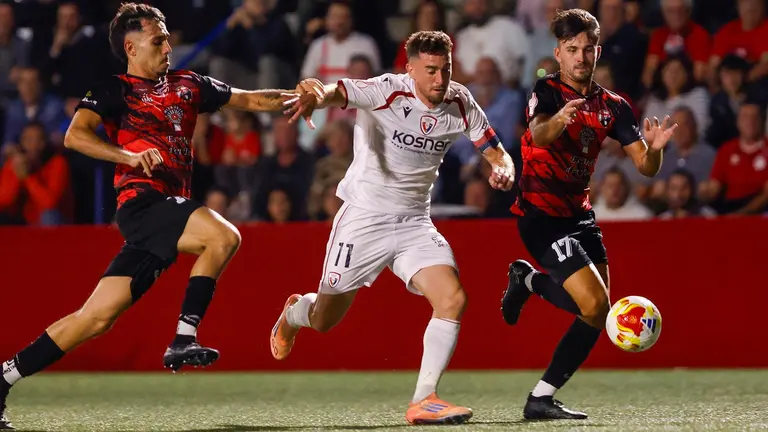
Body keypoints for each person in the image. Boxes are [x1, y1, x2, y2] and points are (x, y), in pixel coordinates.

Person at [0, 3, 309, 429]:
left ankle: (3, 378)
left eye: (167, 37)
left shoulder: (188, 84)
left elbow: (251, 98)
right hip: (142, 205)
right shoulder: (114, 89)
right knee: (224, 237)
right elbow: (75, 136)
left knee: (94, 319)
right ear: (131, 46)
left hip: (162, 214)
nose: (169, 45)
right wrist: (125, 154)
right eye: (158, 39)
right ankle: (184, 337)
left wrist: (303, 96)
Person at [272, 30, 515, 425]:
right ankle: (296, 311)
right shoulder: (386, 91)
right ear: (411, 69)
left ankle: (425, 399)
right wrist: (316, 93)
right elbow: (335, 91)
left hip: (415, 222)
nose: (440, 79)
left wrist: (502, 168)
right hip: (364, 219)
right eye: (431, 71)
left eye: (446, 70)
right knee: (325, 321)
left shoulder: (460, 101)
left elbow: (496, 151)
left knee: (452, 298)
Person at [500, 9, 677, 420]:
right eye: (572, 49)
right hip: (540, 213)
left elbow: (646, 167)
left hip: (579, 215)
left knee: (596, 310)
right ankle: (539, 399)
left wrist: (657, 146)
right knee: (597, 306)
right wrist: (560, 120)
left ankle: (526, 283)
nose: (580, 57)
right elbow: (538, 133)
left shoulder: (614, 106)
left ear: (598, 51)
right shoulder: (545, 93)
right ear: (558, 53)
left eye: (588, 49)